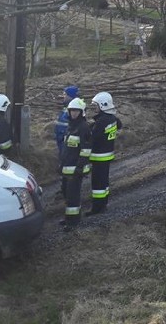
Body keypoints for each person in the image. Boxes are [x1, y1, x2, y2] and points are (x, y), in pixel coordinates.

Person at [86, 91, 123, 216]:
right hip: (107, 155)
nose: (94, 108)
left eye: (96, 106)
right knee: (104, 181)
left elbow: (93, 137)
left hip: (99, 157)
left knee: (98, 184)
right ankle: (104, 203)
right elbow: (119, 125)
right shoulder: (112, 118)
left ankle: (97, 208)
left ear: (103, 105)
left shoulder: (101, 121)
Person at [60, 97, 92, 231]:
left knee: (73, 196)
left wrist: (79, 167)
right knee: (66, 193)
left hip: (75, 169)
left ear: (82, 112)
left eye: (76, 111)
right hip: (67, 167)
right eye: (72, 111)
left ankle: (73, 222)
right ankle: (70, 217)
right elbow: (67, 148)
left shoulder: (83, 127)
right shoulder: (70, 126)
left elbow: (86, 150)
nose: (73, 113)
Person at [55, 86, 79, 159]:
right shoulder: (66, 107)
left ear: (70, 96)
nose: (63, 96)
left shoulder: (74, 110)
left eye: (65, 94)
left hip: (67, 141)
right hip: (61, 139)